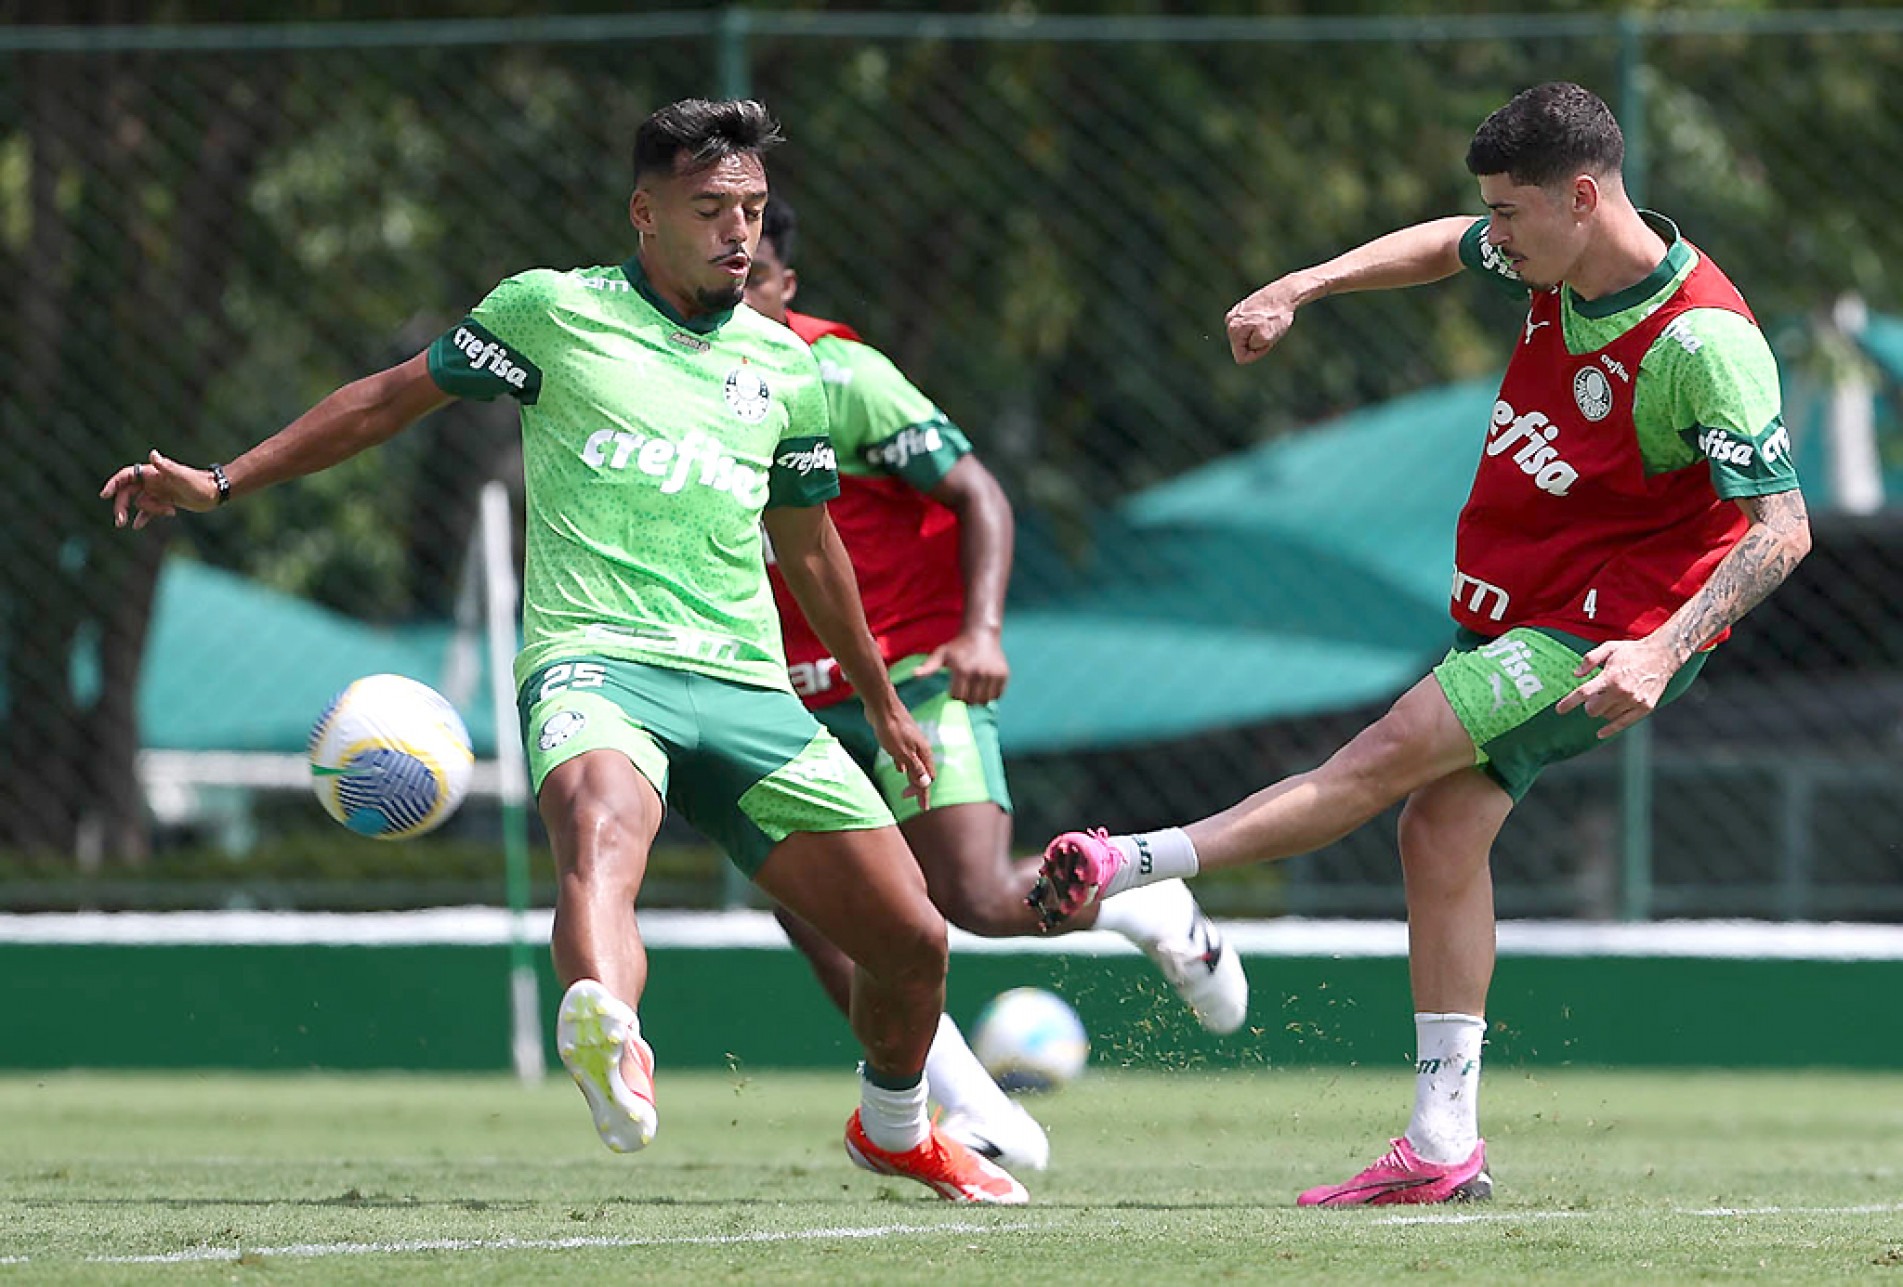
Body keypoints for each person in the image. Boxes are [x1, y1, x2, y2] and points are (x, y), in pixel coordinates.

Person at [101, 97, 1028, 1206]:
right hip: (598, 660)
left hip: (744, 682)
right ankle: (616, 1039)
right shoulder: (550, 313)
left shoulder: (787, 368)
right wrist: (219, 482)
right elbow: (384, 403)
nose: (739, 233)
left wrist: (877, 701)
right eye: (710, 210)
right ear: (645, 213)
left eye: (752, 209)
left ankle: (893, 1126)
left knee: (913, 939)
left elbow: (812, 548)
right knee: (600, 837)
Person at [1028, 81, 1810, 1206]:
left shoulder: (1701, 344)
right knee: (1437, 832)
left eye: (1509, 213)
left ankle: (1129, 867)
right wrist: (1300, 285)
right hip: (1529, 597)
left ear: (1581, 198)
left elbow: (1783, 530)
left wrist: (1658, 649)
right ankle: (1443, 1144)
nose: (1493, 236)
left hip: (1607, 630)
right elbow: (1443, 247)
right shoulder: (1552, 256)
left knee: (1385, 754)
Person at [744, 200, 1251, 1174]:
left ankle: (1146, 907)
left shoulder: (843, 375)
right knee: (813, 912)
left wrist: (979, 630)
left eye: (755, 275)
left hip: (913, 670)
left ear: (787, 284)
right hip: (785, 700)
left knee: (972, 895)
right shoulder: (686, 382)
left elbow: (979, 493)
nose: (736, 292)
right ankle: (985, 1115)